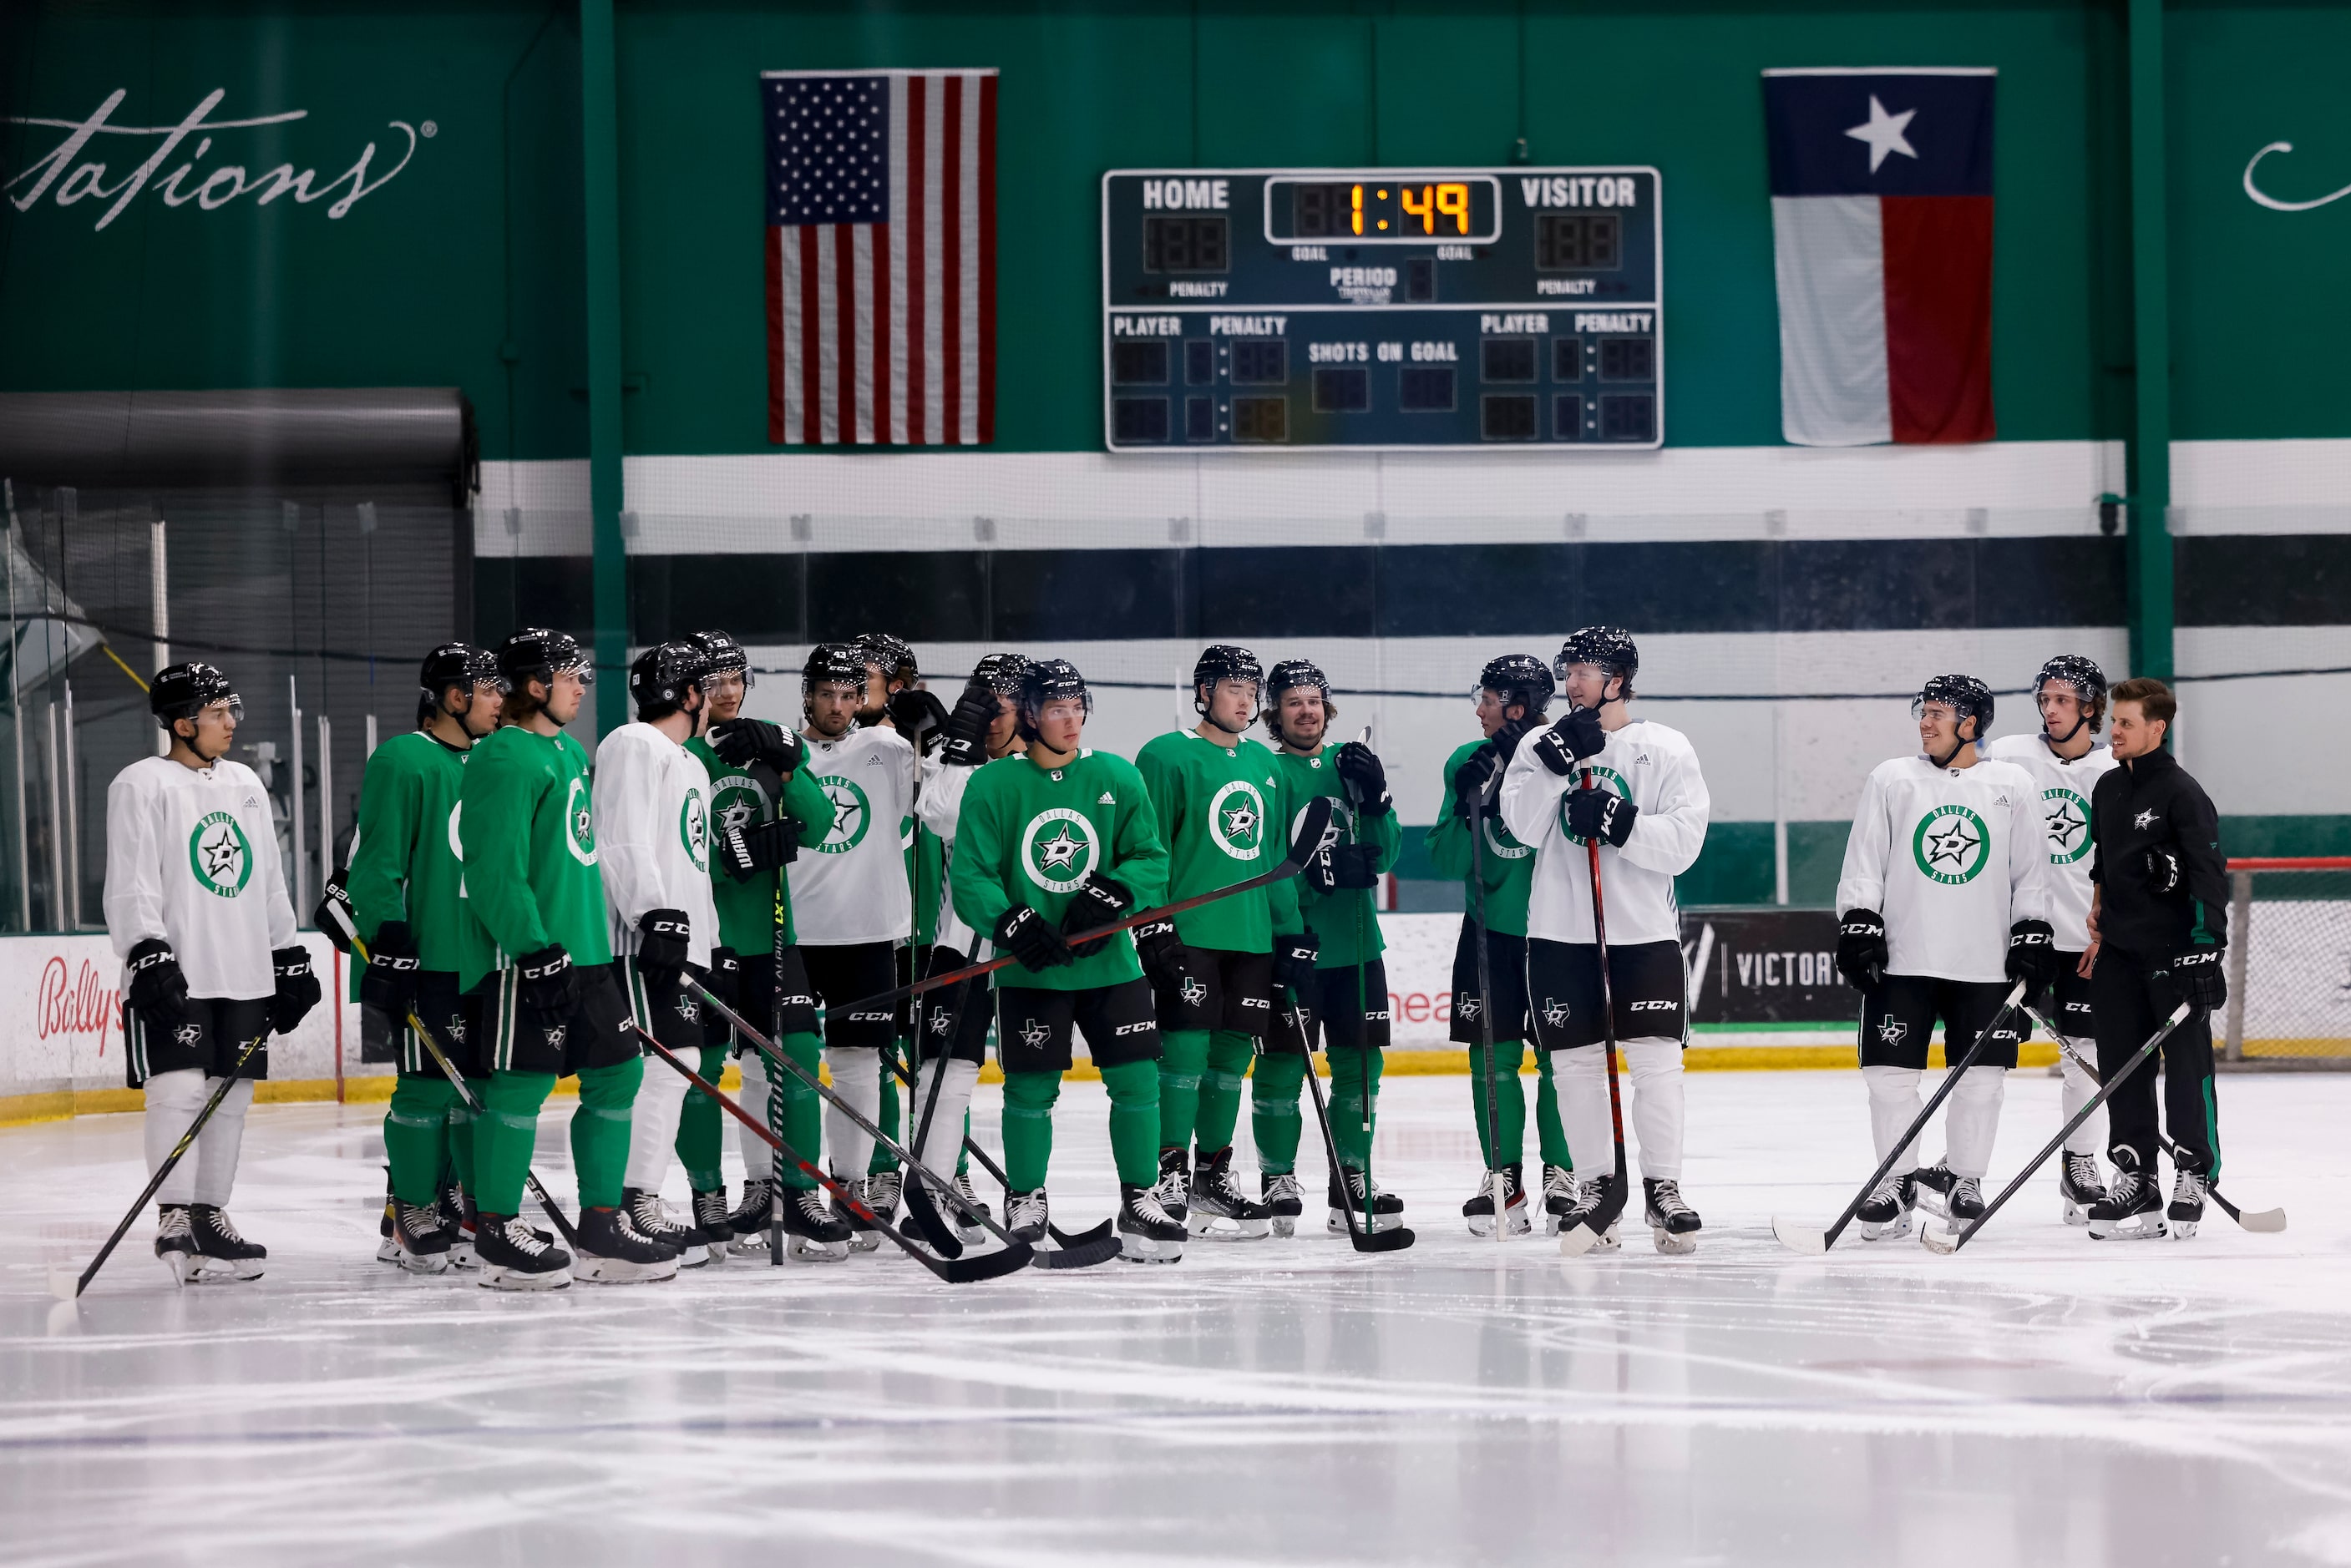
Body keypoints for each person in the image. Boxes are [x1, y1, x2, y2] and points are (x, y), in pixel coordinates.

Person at [459, 628, 676, 1288]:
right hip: (527, 957)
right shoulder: (502, 757)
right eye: (570, 675)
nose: (582, 685)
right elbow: (495, 869)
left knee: (619, 1074)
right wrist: (533, 946)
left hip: (586, 953)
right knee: (519, 1087)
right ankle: (496, 1230)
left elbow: (580, 856)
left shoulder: (567, 754)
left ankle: (602, 1225)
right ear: (534, 685)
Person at [948, 659, 1178, 1260]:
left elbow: (1151, 857)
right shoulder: (993, 785)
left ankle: (1140, 1199)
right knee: (1030, 1089)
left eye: (1078, 707)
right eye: (1056, 709)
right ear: (1029, 716)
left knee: (1136, 1081)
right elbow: (970, 873)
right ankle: (1024, 1196)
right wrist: (1011, 922)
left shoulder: (1116, 775)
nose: (1071, 720)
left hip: (1111, 965)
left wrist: (1110, 896)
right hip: (1031, 968)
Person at [1499, 628, 1710, 1253]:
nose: (1572, 683)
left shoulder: (1666, 746)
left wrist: (1621, 823)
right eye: (1569, 671)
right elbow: (1521, 827)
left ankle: (1662, 1188)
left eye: (1585, 672)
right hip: (1560, 932)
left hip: (1642, 933)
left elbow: (1683, 844)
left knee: (1656, 1065)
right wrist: (1552, 761)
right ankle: (1595, 1187)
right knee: (1574, 1068)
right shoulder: (1541, 742)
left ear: (1618, 679)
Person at [104, 661, 317, 1283]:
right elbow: (131, 879)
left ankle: (210, 1215)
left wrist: (288, 953)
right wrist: (146, 951)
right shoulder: (141, 784)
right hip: (180, 970)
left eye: (231, 711)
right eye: (218, 712)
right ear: (182, 722)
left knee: (232, 1096)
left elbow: (268, 880)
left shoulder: (247, 783)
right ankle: (174, 1215)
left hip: (244, 968)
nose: (231, 722)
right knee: (177, 1093)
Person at [1832, 674, 2055, 1241]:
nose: (1924, 722)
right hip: (1902, 959)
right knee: (1887, 1078)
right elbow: (1864, 859)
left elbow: (2031, 870)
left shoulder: (2012, 784)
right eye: (1922, 712)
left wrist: (2032, 930)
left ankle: (1964, 1179)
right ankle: (1896, 1179)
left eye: (1936, 713)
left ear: (1971, 724)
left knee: (1980, 1080)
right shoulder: (1891, 778)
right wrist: (1859, 920)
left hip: (1984, 962)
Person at [1135, 647, 1313, 1237]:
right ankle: (1169, 1175)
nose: (1245, 700)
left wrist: (1288, 932)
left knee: (1230, 1063)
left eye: (1251, 690)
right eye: (1234, 688)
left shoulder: (1264, 763)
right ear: (1204, 691)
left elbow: (1272, 862)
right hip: (1191, 935)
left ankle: (1212, 1175)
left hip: (1252, 936)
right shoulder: (1165, 755)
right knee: (1183, 1059)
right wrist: (1152, 923)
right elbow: (1148, 847)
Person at [683, 630, 849, 1260]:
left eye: (735, 679)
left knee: (798, 1060)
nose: (727, 692)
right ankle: (707, 1200)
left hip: (772, 938)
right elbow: (675, 846)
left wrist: (787, 760)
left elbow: (819, 821)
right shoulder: (680, 755)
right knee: (699, 1073)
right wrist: (742, 855)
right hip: (703, 942)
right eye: (714, 680)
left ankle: (797, 1191)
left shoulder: (761, 745)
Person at [342, 643, 502, 1273]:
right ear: (456, 697)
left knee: (479, 1090)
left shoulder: (498, 758)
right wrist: (388, 938)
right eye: (488, 691)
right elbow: (376, 862)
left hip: (491, 955)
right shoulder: (405, 759)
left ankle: (464, 1203)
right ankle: (409, 1209)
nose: (500, 702)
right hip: (430, 956)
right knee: (426, 1090)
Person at [1426, 654, 1577, 1235]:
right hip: (1488, 931)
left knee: (1563, 1064)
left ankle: (1564, 1174)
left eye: (1486, 698)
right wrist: (1472, 806)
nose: (1478, 708)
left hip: (1558, 933)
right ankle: (1502, 1178)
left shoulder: (1564, 754)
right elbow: (1443, 859)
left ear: (1515, 706)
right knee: (1492, 1063)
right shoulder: (1466, 761)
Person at [1255, 660, 1406, 1236]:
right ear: (1274, 712)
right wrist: (1309, 884)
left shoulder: (1350, 766)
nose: (1306, 711)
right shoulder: (1265, 771)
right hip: (1296, 943)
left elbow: (1384, 855)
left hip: (1359, 943)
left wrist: (1377, 796)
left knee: (1360, 1067)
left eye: (1314, 701)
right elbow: (1264, 859)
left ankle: (1353, 1175)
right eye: (1293, 702)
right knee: (1279, 1064)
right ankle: (1277, 1177)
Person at [2083, 677, 2229, 1240]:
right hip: (2118, 952)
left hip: (2174, 957)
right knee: (2122, 1067)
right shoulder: (2105, 788)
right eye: (2112, 722)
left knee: (2187, 1067)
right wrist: (2097, 914)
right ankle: (2135, 1178)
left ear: (2155, 728)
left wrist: (2204, 949)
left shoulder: (2182, 793)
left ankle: (2193, 1171)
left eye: (2123, 723)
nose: (2112, 731)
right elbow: (2102, 861)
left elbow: (2207, 875)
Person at [785, 641, 917, 1247]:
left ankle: (852, 1184)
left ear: (862, 699)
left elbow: (942, 805)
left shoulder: (890, 750)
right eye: (825, 695)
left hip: (866, 930)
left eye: (847, 695)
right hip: (794, 932)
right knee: (780, 1065)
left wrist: (942, 743)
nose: (836, 706)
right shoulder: (779, 752)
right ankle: (784, 1189)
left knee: (859, 1064)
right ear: (807, 694)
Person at [601, 640, 727, 1266]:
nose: (715, 699)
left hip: (683, 941)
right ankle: (630, 1204)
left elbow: (692, 860)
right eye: (707, 687)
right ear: (686, 694)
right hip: (644, 939)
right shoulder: (633, 743)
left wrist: (712, 938)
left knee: (677, 1063)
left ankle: (638, 1198)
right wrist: (652, 913)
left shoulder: (690, 764)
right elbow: (622, 836)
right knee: (661, 1065)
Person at [1984, 655, 2118, 1223]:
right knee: (1984, 1058)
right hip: (2018, 937)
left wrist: (2110, 927)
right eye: (2044, 700)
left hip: (2085, 943)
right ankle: (1960, 1169)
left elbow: (2122, 861)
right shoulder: (2010, 754)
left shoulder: (2116, 770)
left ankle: (2079, 1163)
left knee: (2084, 1058)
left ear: (2090, 707)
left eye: (2063, 700)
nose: (2050, 710)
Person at [909, 652, 1031, 1238]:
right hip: (961, 943)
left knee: (1032, 1078)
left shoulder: (1047, 761)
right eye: (978, 707)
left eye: (1000, 707)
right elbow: (940, 817)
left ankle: (1028, 1195)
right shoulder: (951, 759)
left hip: (1031, 948)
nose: (988, 719)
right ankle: (933, 1189)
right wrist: (958, 750)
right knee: (944, 1074)